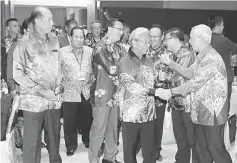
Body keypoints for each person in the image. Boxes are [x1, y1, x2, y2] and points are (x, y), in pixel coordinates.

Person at [158, 24, 232, 163]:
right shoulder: (200, 57)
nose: (189, 41)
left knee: (216, 151)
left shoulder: (211, 57)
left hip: (212, 113)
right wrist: (171, 63)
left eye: (191, 38)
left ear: (200, 38)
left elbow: (194, 83)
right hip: (201, 112)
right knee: (202, 152)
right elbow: (190, 73)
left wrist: (171, 92)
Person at [13, 7, 62, 163]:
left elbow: (58, 64)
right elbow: (18, 73)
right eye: (49, 19)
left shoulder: (54, 38)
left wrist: (59, 86)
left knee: (54, 138)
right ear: (38, 21)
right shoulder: (23, 43)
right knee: (32, 142)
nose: (52, 23)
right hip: (33, 101)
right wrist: (41, 92)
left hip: (53, 99)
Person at [89, 18, 125, 163]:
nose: (121, 33)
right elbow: (111, 69)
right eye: (119, 29)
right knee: (99, 130)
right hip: (102, 94)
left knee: (113, 129)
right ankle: (93, 159)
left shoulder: (119, 47)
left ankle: (110, 158)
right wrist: (129, 72)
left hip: (115, 93)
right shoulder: (100, 47)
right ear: (109, 29)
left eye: (122, 30)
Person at [117, 27, 156, 163]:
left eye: (149, 42)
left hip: (149, 113)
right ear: (134, 42)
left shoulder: (150, 60)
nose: (148, 44)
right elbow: (131, 86)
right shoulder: (123, 62)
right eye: (145, 42)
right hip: (131, 114)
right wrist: (155, 91)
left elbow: (153, 81)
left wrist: (161, 81)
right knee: (130, 151)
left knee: (150, 150)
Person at [58, 27, 93, 155]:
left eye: (81, 37)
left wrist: (91, 80)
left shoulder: (90, 51)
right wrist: (59, 85)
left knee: (87, 119)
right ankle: (71, 145)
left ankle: (86, 139)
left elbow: (94, 70)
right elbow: (58, 71)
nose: (79, 39)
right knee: (69, 121)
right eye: (76, 37)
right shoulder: (62, 52)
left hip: (86, 90)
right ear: (70, 37)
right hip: (69, 91)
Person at [163, 28, 196, 163]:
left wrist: (169, 65)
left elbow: (185, 74)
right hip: (176, 101)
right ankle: (181, 160)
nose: (165, 42)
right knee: (180, 136)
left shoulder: (186, 54)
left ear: (175, 39)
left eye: (167, 39)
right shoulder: (175, 55)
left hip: (186, 102)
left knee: (191, 137)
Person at [208, 16, 237, 143]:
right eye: (223, 25)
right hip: (225, 80)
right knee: (223, 111)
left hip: (209, 80)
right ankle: (221, 141)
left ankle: (212, 139)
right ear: (219, 25)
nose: (224, 27)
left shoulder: (206, 40)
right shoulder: (223, 40)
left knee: (211, 111)